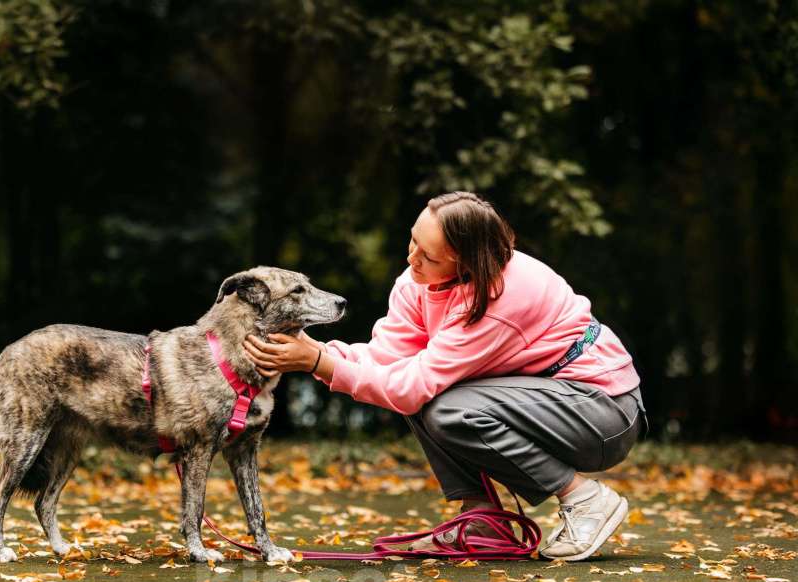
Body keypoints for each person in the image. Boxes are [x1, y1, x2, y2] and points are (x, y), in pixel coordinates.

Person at [243, 191, 648, 561]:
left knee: (446, 407)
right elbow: (389, 358)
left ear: (467, 262)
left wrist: (316, 362)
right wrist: (318, 353)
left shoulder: (500, 298)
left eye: (429, 256)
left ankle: (582, 497)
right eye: (413, 241)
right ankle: (481, 519)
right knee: (429, 394)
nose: (411, 259)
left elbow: (411, 389)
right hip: (546, 400)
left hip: (603, 412)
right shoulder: (418, 281)